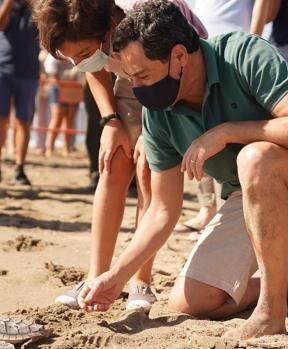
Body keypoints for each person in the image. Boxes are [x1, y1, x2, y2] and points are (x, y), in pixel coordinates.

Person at [77, 0, 288, 339]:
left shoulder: (242, 53)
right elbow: (163, 210)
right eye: (131, 78)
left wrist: (226, 132)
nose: (138, 88)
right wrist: (116, 277)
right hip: (251, 194)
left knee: (254, 158)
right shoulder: (158, 113)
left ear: (179, 56)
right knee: (191, 301)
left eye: (143, 76)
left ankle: (272, 312)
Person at [34, 0, 208, 312]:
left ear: (106, 32)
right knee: (112, 163)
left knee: (147, 170)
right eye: (70, 58)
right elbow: (94, 67)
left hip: (172, 81)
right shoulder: (85, 27)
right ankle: (94, 276)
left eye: (84, 53)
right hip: (128, 76)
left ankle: (142, 281)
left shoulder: (148, 12)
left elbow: (184, 73)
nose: (79, 62)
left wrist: (153, 132)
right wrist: (110, 120)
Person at [174, 0, 258, 234]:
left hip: (234, 55)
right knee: (199, 134)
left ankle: (230, 212)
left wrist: (255, 37)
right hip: (198, 51)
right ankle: (207, 209)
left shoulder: (247, 50)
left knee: (230, 139)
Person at [0, 0, 39, 186]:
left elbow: (45, 26)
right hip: (1, 67)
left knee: (24, 121)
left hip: (28, 69)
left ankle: (20, 167)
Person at [43, 54, 82, 157]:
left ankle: (66, 149)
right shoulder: (54, 54)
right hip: (58, 87)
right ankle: (49, 148)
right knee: (57, 118)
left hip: (73, 87)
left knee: (70, 119)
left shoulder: (77, 51)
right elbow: (52, 75)